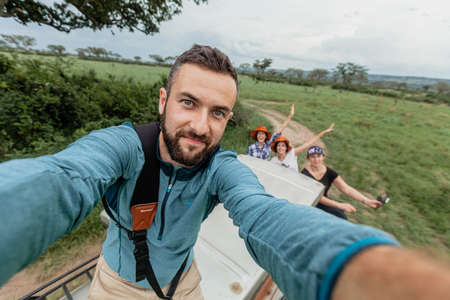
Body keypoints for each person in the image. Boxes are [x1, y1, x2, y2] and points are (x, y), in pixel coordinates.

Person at [0, 45, 449, 300]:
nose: (200, 126)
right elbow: (64, 179)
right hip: (117, 286)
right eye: (188, 102)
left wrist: (363, 272)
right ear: (163, 101)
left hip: (185, 281)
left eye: (219, 113)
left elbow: (261, 215)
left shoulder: (221, 168)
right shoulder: (123, 147)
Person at [301, 145, 382, 220]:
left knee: (340, 216)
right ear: (308, 159)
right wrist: (339, 205)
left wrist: (366, 201)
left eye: (318, 156)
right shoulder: (305, 174)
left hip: (324, 203)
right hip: (310, 203)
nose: (316, 160)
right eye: (313, 157)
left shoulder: (329, 172)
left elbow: (346, 189)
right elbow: (317, 197)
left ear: (323, 157)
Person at [270, 123, 334, 172]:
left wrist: (324, 132)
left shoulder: (292, 153)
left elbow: (308, 143)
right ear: (276, 148)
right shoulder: (273, 161)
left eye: (283, 145)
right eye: (278, 145)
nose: (280, 148)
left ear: (286, 148)